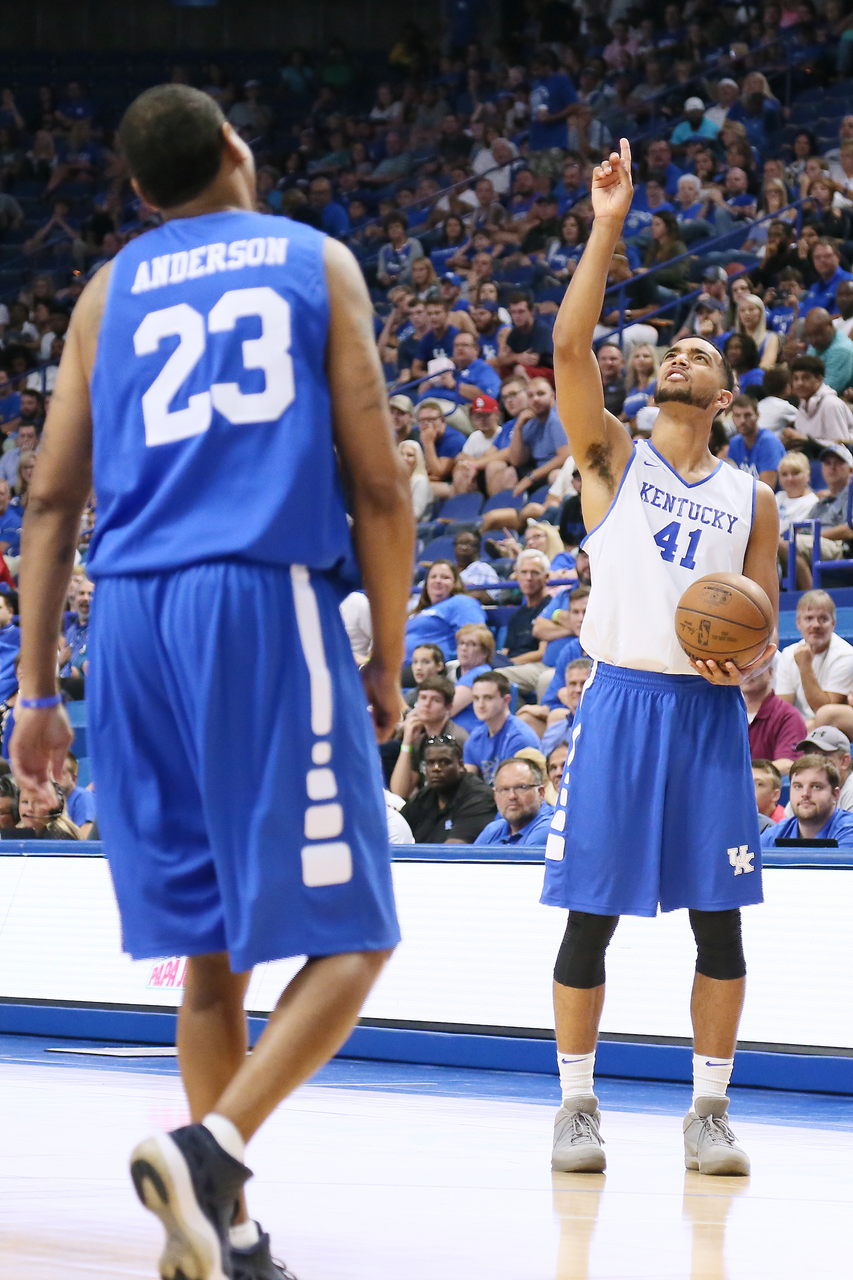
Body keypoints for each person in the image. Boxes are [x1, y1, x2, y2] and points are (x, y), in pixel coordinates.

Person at [10, 84, 415, 1280]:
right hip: (254, 595)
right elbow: (382, 484)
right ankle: (213, 1147)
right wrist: (385, 656)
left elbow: (47, 498)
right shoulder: (314, 260)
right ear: (238, 144)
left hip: (127, 620)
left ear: (140, 194)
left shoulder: (102, 291)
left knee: (208, 949)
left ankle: (223, 1235)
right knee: (357, 932)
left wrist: (38, 692)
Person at [542, 140, 778, 1179]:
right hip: (623, 702)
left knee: (717, 926)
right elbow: (565, 349)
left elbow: (760, 625)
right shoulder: (611, 460)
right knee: (590, 915)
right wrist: (604, 224)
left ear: (727, 394)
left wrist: (753, 667)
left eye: (698, 353)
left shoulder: (753, 499)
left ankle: (708, 1111)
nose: (678, 354)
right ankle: (577, 1103)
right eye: (668, 349)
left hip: (705, 716)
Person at [400, 736, 497, 843]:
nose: (436, 768)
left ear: (460, 765)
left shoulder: (480, 797)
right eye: (430, 763)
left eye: (444, 762)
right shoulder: (423, 797)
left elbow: (453, 851)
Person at [775, 590, 853, 721]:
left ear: (833, 624)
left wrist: (804, 667)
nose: (816, 625)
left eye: (823, 619)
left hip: (832, 729)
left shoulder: (846, 654)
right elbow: (784, 708)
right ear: (798, 623)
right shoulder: (788, 654)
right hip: (799, 726)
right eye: (809, 618)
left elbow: (826, 713)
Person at [389, 675, 467, 800]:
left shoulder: (457, 739)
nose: (427, 704)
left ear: (448, 707)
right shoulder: (419, 740)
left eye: (435, 700)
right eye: (423, 698)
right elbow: (399, 792)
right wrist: (407, 741)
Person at [463, 671, 540, 785]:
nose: (480, 704)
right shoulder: (475, 737)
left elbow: (510, 788)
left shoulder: (520, 738)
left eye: (488, 698)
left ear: (506, 700)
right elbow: (467, 783)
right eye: (476, 698)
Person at [493, 550, 552, 693]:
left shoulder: (551, 607)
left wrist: (510, 663)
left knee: (492, 678)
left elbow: (541, 653)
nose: (528, 578)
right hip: (514, 666)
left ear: (546, 577)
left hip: (536, 666)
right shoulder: (517, 615)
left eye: (535, 573)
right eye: (524, 572)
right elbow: (506, 650)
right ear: (517, 576)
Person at [760, 755, 853, 845]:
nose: (805, 793)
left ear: (835, 794)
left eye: (816, 786)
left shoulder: (848, 831)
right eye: (798, 786)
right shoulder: (775, 833)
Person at [405, 560, 486, 662]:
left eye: (445, 577)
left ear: (455, 583)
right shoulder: (419, 610)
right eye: (433, 577)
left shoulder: (462, 602)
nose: (438, 581)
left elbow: (475, 640)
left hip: (433, 669)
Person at [474, 756, 555, 846]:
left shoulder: (551, 828)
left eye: (521, 787)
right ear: (495, 796)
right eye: (504, 789)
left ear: (541, 793)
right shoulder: (492, 830)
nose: (512, 796)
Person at [742, 663, 806, 775]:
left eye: (755, 668)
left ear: (771, 673)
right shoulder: (727, 714)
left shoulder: (788, 716)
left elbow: (787, 764)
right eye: (743, 669)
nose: (748, 673)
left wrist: (743, 777)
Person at [726, 396, 785, 489]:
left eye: (748, 415)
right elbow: (729, 482)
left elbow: (767, 488)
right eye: (737, 416)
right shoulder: (734, 442)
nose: (742, 421)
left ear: (757, 415)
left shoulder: (769, 442)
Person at [448, 623, 495, 733]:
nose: (464, 648)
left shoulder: (480, 675)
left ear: (485, 652)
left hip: (468, 736)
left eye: (472, 644)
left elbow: (445, 710)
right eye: (461, 643)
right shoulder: (466, 674)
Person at [803, 307, 853, 395]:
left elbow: (827, 390)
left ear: (831, 326)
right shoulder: (818, 344)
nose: (813, 340)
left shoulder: (842, 350)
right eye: (809, 335)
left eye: (818, 333)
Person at [58, 750, 95, 837]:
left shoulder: (84, 798)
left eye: (60, 772)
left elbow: (85, 839)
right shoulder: (48, 801)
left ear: (74, 778)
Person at [398, 439, 433, 521]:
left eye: (410, 455)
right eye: (401, 454)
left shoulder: (420, 481)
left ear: (417, 458)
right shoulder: (395, 481)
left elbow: (415, 514)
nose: (404, 458)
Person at [751, 760, 785, 824]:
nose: (749, 788)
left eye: (758, 784)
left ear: (775, 795)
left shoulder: (785, 827)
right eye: (746, 783)